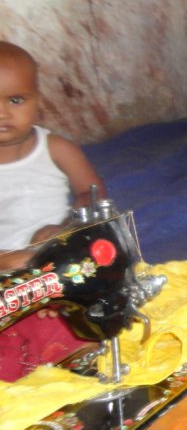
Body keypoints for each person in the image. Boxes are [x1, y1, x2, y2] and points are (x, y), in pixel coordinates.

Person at [0, 40, 105, 381]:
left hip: (54, 260)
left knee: (86, 301)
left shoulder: (56, 148)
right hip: (4, 269)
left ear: (37, 101)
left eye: (15, 100)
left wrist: (64, 230)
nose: (2, 113)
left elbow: (92, 195)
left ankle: (72, 352)